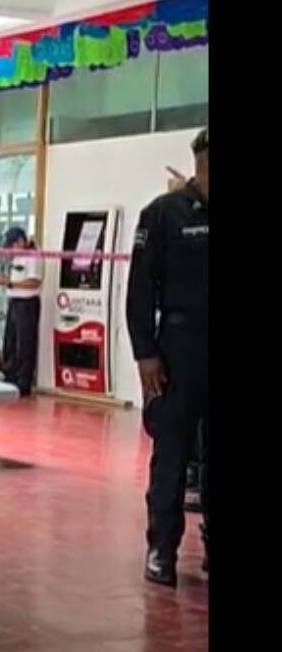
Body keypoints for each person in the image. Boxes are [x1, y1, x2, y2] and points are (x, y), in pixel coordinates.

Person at [126, 127, 208, 587]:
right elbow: (140, 290)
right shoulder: (162, 214)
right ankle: (163, 549)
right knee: (172, 452)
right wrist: (145, 354)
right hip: (179, 348)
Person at [0, 228, 42, 397]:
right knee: (10, 342)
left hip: (27, 303)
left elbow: (34, 282)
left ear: (21, 241)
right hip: (14, 302)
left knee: (24, 344)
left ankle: (23, 382)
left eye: (12, 245)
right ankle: (10, 377)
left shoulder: (33, 256)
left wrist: (11, 283)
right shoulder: (15, 258)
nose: (10, 250)